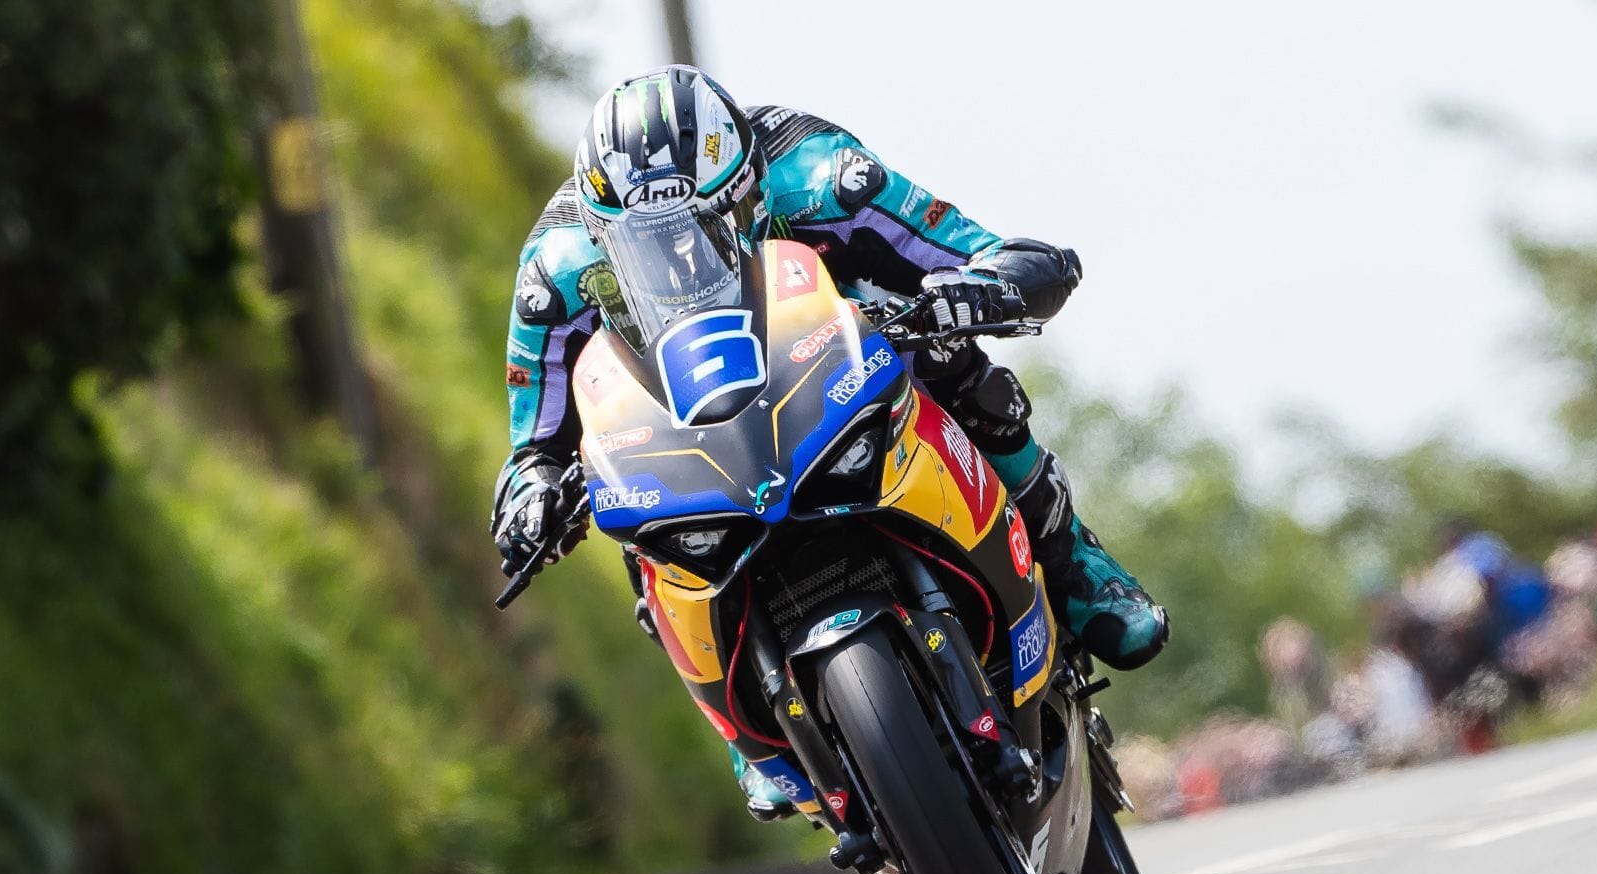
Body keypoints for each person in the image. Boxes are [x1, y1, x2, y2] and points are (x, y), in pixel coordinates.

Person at [489, 66, 1170, 818]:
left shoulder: (819, 171)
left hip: (837, 355)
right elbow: (536, 442)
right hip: (690, 424)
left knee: (960, 365)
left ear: (750, 183)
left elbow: (976, 249)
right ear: (600, 234)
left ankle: (1074, 564)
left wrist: (985, 286)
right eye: (650, 245)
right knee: (628, 507)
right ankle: (739, 728)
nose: (685, 257)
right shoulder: (556, 274)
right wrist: (533, 501)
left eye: (712, 223)